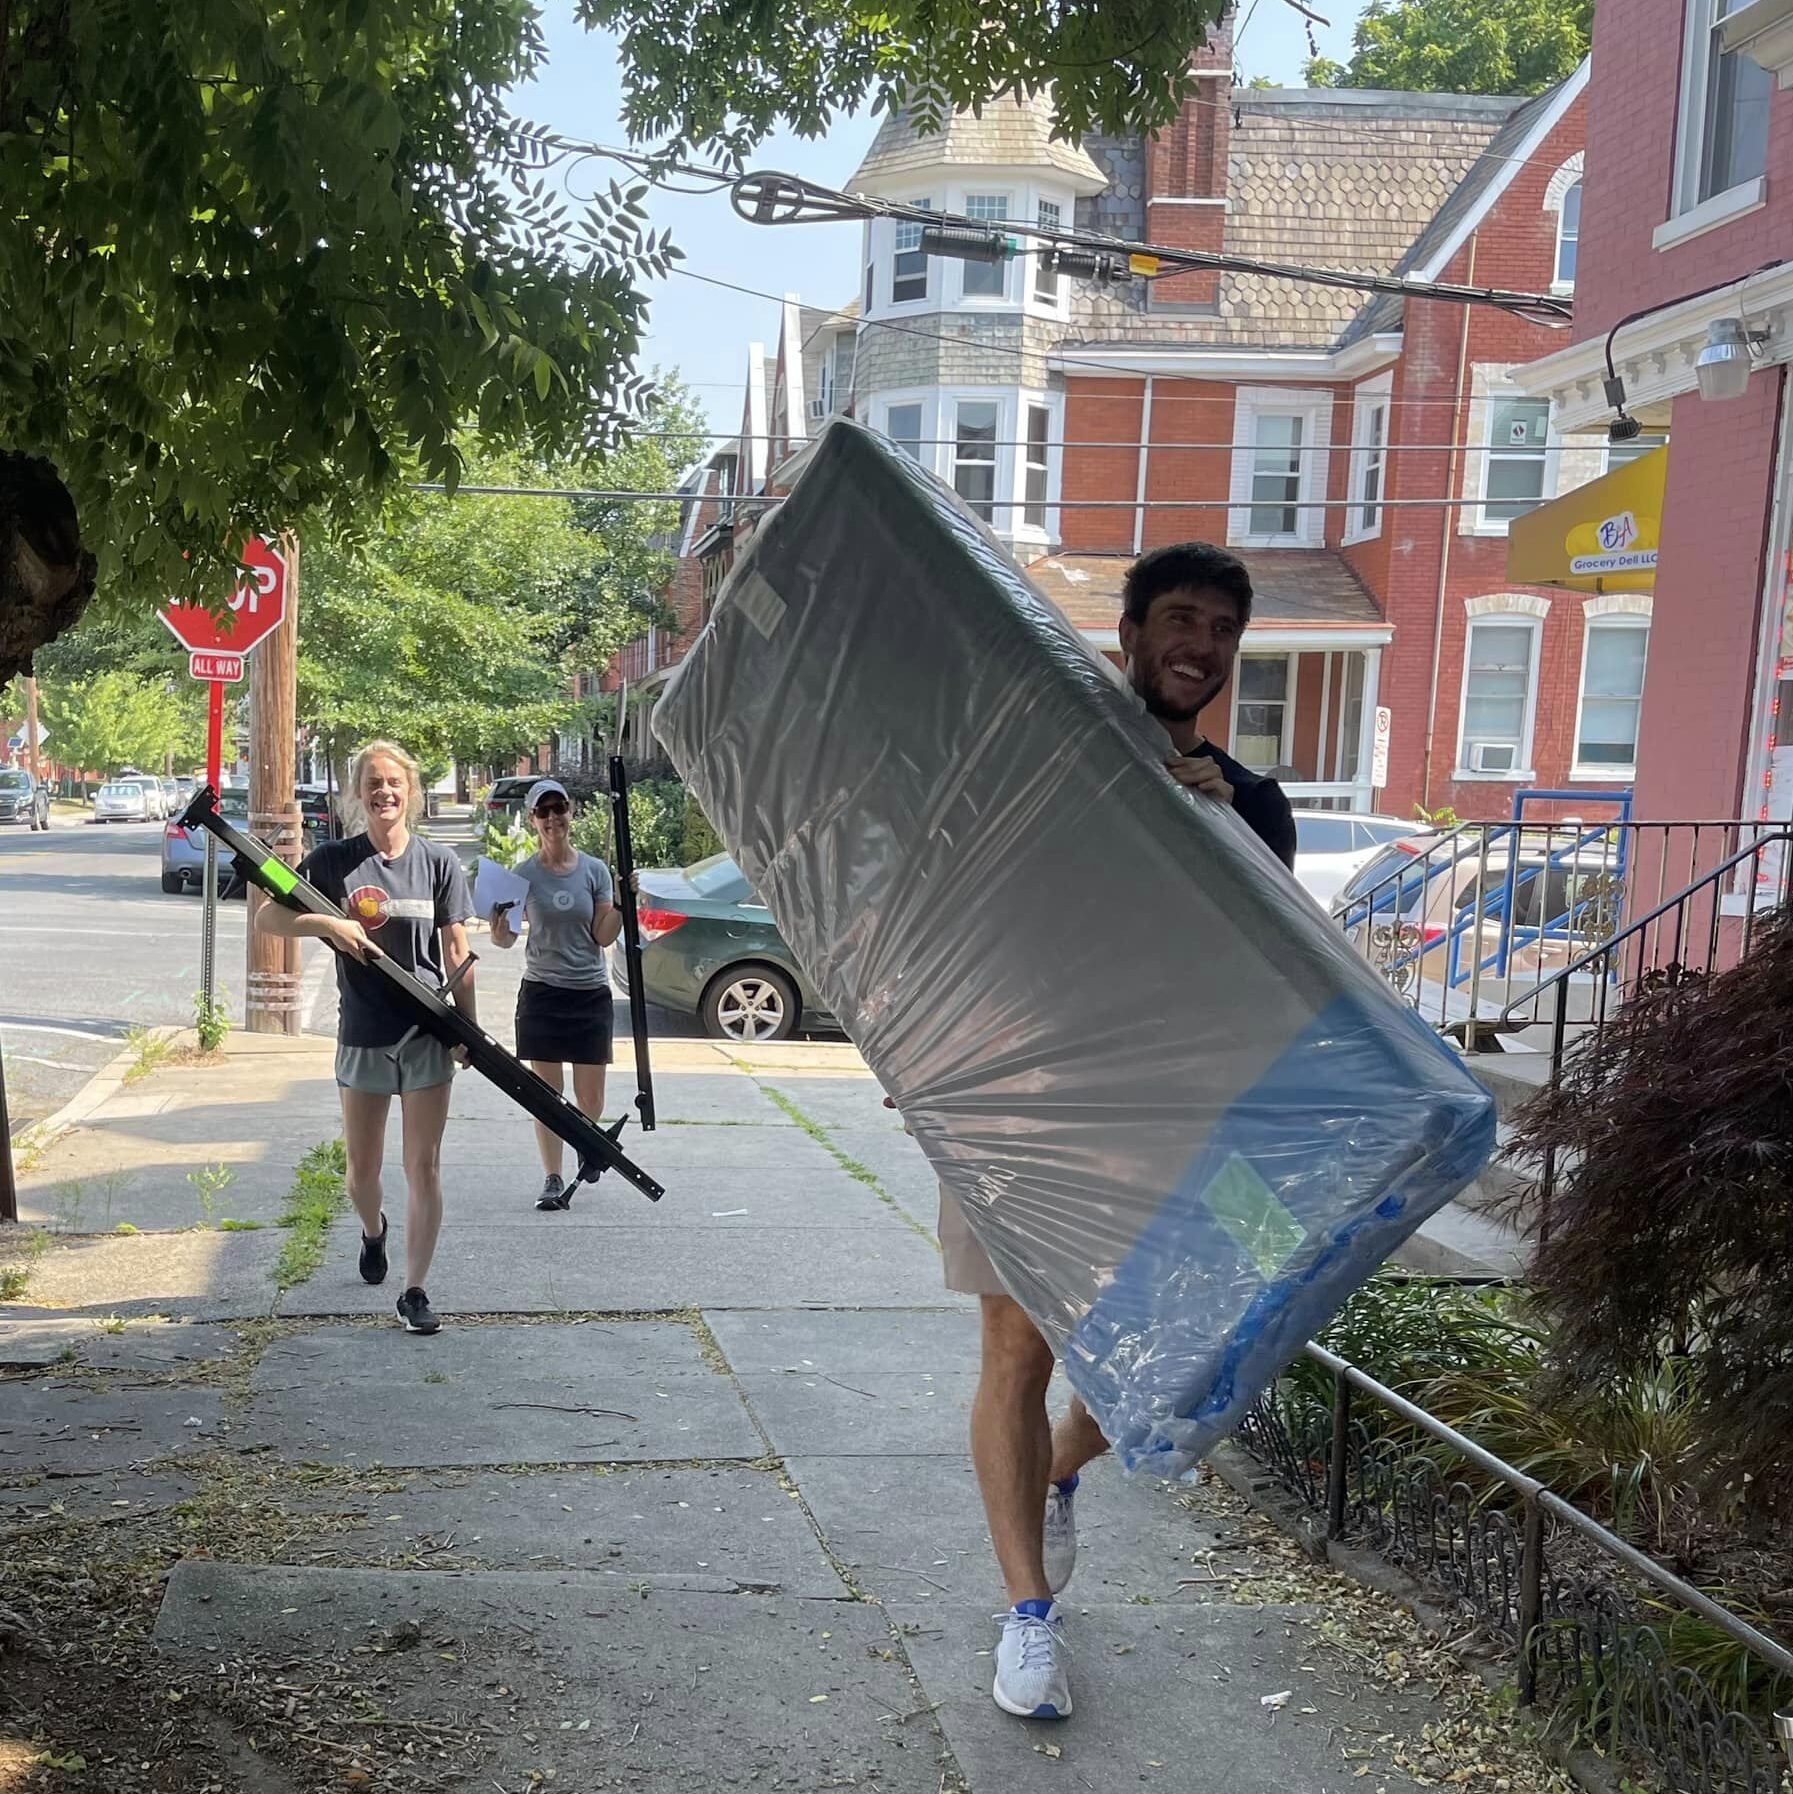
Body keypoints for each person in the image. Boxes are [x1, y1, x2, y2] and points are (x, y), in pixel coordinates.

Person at [947, 542, 1297, 1722]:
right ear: (1132, 636)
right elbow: (968, 913)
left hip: (1168, 1128)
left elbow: (1266, 980)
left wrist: (1222, 841)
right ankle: (1027, 1619)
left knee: (1156, 1374)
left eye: (1220, 630)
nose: (1198, 645)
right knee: (1015, 1353)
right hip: (1018, 1108)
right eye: (1179, 619)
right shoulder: (1051, 765)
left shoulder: (1251, 806)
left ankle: (1052, 1474)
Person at [256, 739, 476, 1335]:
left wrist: (468, 1029)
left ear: (411, 792)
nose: (385, 792)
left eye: (395, 782)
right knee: (361, 1172)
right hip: (363, 1033)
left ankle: (415, 1291)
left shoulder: (438, 862)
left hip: (427, 1033)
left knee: (423, 1165)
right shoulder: (333, 861)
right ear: (360, 792)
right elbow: (269, 917)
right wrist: (328, 921)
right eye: (374, 782)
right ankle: (373, 1230)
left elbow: (459, 950)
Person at [487, 778, 621, 1210]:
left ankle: (585, 1138)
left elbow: (603, 936)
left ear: (571, 812)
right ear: (532, 820)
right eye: (542, 812)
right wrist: (496, 927)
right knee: (546, 1096)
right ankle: (552, 1176)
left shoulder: (596, 871)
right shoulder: (522, 874)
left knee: (591, 1098)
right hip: (543, 993)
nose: (552, 819)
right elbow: (507, 940)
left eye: (558, 809)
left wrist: (623, 904)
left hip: (589, 994)